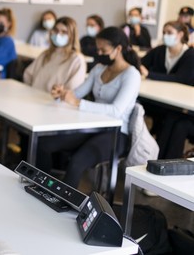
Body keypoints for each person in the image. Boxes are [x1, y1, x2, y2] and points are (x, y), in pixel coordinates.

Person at [37, 27, 141, 188]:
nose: (99, 53)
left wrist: (78, 103)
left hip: (116, 133)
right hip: (92, 125)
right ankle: (40, 188)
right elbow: (77, 93)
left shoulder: (131, 75)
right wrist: (62, 94)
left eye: (103, 50)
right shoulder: (99, 69)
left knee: (77, 162)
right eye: (97, 49)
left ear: (118, 49)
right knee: (43, 144)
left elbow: (116, 110)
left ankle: (63, 205)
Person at [23, 16, 86, 93]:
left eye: (64, 32)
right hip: (34, 96)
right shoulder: (46, 54)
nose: (58, 34)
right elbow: (28, 75)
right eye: (56, 30)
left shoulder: (77, 59)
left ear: (72, 36)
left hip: (55, 102)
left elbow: (73, 89)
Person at [140, 21, 194, 85]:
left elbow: (180, 78)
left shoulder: (190, 55)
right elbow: (141, 62)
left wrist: (149, 74)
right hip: (157, 89)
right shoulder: (159, 50)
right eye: (164, 33)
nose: (165, 36)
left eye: (169, 33)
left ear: (180, 34)